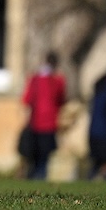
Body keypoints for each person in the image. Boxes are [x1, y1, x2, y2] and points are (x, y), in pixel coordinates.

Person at [21, 51, 67, 180]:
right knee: (44, 156)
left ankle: (34, 177)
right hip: (49, 122)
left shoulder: (35, 79)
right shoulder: (58, 81)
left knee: (34, 155)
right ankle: (40, 176)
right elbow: (61, 100)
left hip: (36, 122)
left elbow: (27, 100)